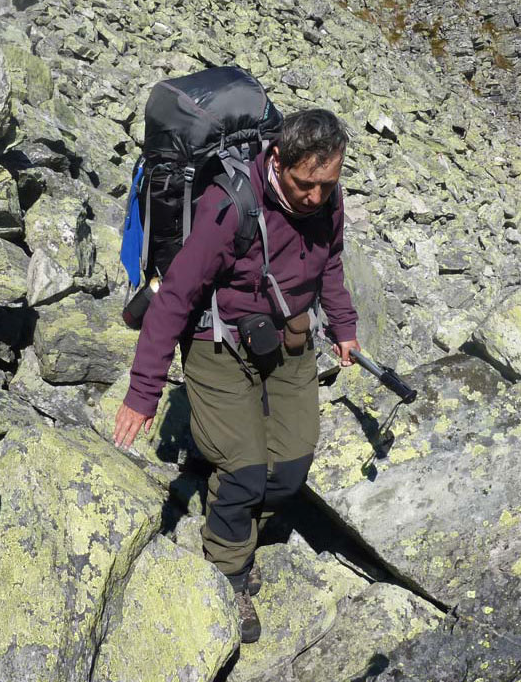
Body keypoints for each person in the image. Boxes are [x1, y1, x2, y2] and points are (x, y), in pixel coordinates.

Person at [113, 108, 360, 644]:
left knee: (291, 467)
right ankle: (229, 573)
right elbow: (175, 296)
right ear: (277, 159)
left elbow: (331, 262)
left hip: (287, 337)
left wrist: (343, 326)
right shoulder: (230, 204)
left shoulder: (327, 202)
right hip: (218, 341)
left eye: (328, 184)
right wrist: (143, 392)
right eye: (305, 184)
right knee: (246, 470)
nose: (316, 197)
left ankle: (233, 504)